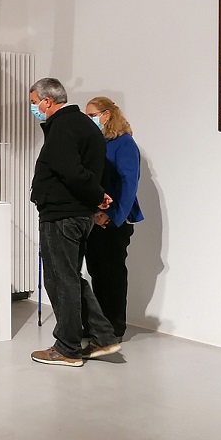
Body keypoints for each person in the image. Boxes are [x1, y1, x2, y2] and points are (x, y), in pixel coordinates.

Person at [28, 78, 120, 367]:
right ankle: (103, 337)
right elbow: (86, 170)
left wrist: (96, 195)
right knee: (70, 277)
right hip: (78, 213)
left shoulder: (64, 127)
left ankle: (67, 348)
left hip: (62, 215)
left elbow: (71, 171)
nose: (34, 108)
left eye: (34, 103)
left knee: (59, 280)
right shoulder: (83, 125)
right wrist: (97, 196)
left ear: (48, 101)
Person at [84, 97, 144, 340]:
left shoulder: (125, 143)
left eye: (92, 115)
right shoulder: (96, 142)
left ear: (107, 115)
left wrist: (111, 215)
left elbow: (129, 184)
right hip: (94, 218)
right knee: (96, 272)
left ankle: (115, 327)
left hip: (114, 220)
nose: (89, 120)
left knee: (113, 274)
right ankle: (99, 325)